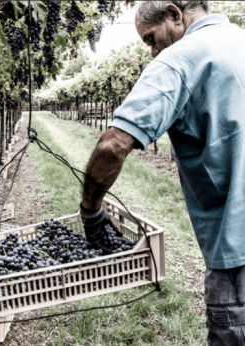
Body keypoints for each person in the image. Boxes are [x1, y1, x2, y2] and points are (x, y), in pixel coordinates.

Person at [78, 2, 245, 345]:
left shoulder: (179, 59)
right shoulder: (240, 41)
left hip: (238, 251)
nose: (153, 52)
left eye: (151, 39)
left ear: (174, 14)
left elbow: (112, 146)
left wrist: (91, 211)